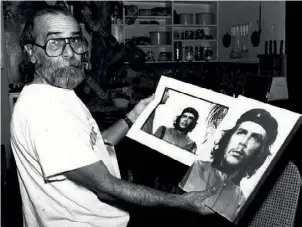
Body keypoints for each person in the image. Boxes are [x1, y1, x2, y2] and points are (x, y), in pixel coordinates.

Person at [10, 6, 214, 227]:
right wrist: (183, 202)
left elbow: (96, 146)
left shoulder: (60, 92)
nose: (69, 52)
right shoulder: (45, 109)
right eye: (55, 42)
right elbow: (106, 188)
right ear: (31, 52)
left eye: (75, 41)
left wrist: (133, 116)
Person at [178, 108, 278, 222]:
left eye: (255, 138)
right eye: (241, 132)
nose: (243, 142)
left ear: (259, 152)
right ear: (228, 137)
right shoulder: (194, 167)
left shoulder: (240, 201)